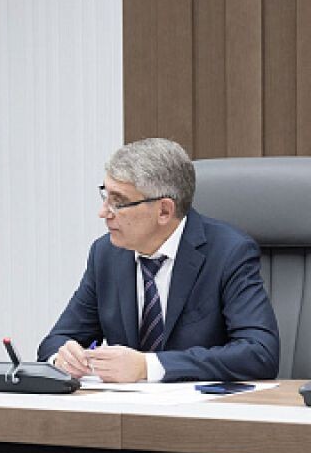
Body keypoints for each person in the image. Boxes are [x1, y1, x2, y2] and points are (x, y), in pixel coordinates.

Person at [38, 138, 279, 383]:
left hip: (204, 404)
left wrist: (148, 366)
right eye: (105, 196)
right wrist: (62, 358)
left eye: (118, 202)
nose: (103, 213)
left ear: (164, 210)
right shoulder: (106, 254)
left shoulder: (229, 252)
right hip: (123, 404)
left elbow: (259, 354)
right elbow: (55, 341)